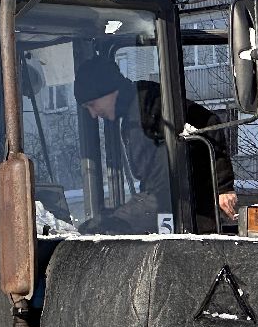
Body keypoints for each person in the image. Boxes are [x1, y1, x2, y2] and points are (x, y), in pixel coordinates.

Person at [74, 55, 238, 233]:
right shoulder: (132, 116)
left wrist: (223, 187)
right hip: (169, 210)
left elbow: (208, 122)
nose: (93, 114)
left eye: (92, 104)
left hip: (191, 216)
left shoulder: (151, 105)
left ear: (107, 90)